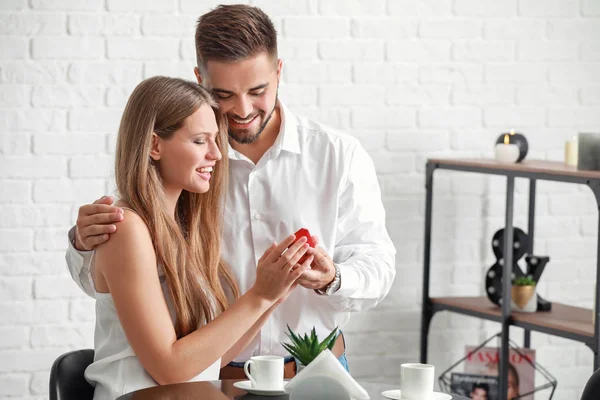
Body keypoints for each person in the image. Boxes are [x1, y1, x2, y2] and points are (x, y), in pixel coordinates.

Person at [66, 4, 396, 379]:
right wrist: (83, 241)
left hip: (314, 371)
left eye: (258, 91)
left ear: (279, 72)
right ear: (199, 79)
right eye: (223, 94)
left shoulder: (337, 155)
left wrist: (332, 277)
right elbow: (119, 276)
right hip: (214, 377)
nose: (242, 110)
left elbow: (379, 266)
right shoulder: (183, 168)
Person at [84, 76, 312, 399]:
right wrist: (258, 295)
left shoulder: (181, 230)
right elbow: (169, 368)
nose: (217, 155)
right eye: (200, 141)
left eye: (216, 140)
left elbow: (212, 359)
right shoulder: (127, 229)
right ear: (154, 145)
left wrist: (274, 293)